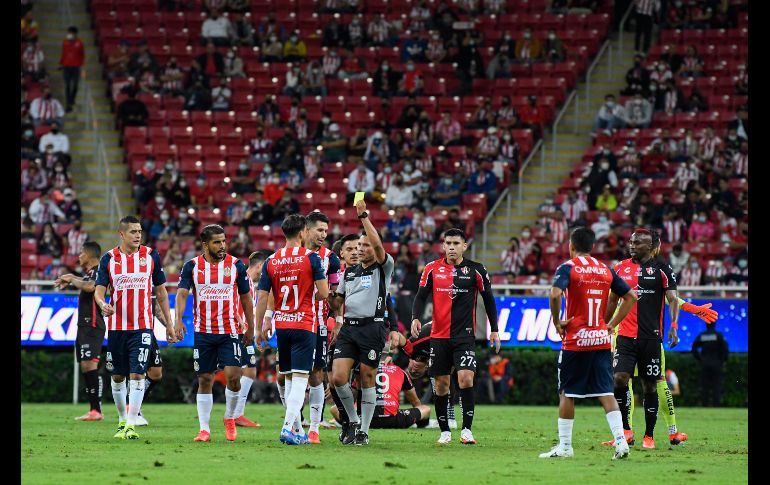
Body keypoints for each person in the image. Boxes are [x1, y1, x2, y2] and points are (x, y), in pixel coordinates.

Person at [540, 227, 636, 460]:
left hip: (576, 341)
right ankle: (621, 441)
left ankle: (565, 446)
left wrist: (556, 321)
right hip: (601, 340)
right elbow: (631, 296)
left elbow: (554, 294)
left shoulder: (568, 268)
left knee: (567, 394)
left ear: (571, 246)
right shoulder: (605, 270)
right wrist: (611, 324)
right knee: (606, 392)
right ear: (592, 247)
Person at [411, 228, 501, 445]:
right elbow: (420, 296)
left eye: (456, 243)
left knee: (466, 378)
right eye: (448, 243)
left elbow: (489, 299)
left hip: (464, 337)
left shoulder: (476, 270)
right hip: (439, 337)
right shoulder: (432, 269)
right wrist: (415, 318)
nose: (451, 247)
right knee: (441, 385)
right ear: (443, 246)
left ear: (464, 246)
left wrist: (495, 329)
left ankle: (467, 430)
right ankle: (444, 432)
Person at [93, 216, 175, 440]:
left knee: (138, 373)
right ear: (122, 234)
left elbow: (161, 292)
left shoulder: (151, 256)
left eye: (140, 231)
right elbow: (99, 290)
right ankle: (121, 420)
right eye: (133, 232)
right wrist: (103, 304)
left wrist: (169, 324)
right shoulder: (109, 259)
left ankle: (131, 424)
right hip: (118, 327)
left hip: (143, 327)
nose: (138, 235)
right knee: (118, 377)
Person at [174, 224, 255, 442]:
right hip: (203, 331)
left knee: (234, 377)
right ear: (205, 245)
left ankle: (229, 417)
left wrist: (251, 326)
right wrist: (178, 320)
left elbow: (246, 298)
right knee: (205, 378)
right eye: (217, 242)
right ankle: (204, 429)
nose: (222, 246)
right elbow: (182, 293)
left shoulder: (236, 265)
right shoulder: (191, 266)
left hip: (230, 330)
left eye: (223, 241)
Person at [327, 201, 399, 446]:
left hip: (372, 327)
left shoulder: (383, 266)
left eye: (365, 245)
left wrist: (363, 217)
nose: (361, 249)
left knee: (368, 377)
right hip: (349, 328)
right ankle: (354, 420)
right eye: (359, 246)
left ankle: (364, 431)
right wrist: (329, 293)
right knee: (338, 378)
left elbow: (378, 244)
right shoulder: (350, 272)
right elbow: (338, 303)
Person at [253, 215, 329, 445]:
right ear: (303, 232)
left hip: (282, 326)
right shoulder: (312, 258)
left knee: (286, 377)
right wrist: (307, 294)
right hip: (304, 324)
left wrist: (259, 328)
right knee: (300, 378)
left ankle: (298, 431)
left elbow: (263, 297)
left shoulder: (272, 260)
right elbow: (324, 293)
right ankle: (288, 428)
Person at [301, 212, 342, 443]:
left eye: (326, 231)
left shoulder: (332, 259)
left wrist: (338, 319)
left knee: (316, 374)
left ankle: (314, 428)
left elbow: (336, 295)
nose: (323, 235)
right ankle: (295, 423)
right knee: (286, 374)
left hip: (317, 325)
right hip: (291, 323)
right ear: (306, 230)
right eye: (319, 230)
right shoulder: (290, 255)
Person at [54, 242, 105, 421]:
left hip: (92, 323)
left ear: (90, 255)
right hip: (85, 324)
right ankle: (94, 409)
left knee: (90, 364)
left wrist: (72, 278)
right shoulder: (89, 273)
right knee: (86, 365)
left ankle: (96, 410)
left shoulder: (99, 271)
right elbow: (86, 282)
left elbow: (91, 286)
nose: (78, 256)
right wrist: (73, 276)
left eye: (81, 253)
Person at [331, 354, 431, 428]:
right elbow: (416, 402)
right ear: (389, 358)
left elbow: (351, 400)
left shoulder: (362, 370)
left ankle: (348, 423)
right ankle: (422, 425)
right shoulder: (399, 371)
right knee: (426, 409)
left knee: (334, 409)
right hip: (393, 420)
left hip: (364, 421)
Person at [233, 250, 271, 428]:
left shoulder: (250, 283)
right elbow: (229, 300)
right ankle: (235, 414)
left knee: (248, 370)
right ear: (259, 265)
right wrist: (240, 320)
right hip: (236, 332)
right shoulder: (243, 280)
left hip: (242, 332)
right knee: (245, 370)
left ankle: (235, 414)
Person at [692, 321, 729, 407]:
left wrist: (700, 359)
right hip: (717, 364)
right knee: (717, 385)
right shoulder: (718, 335)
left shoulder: (702, 335)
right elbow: (725, 349)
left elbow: (694, 348)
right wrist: (723, 360)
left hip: (705, 364)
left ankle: (705, 404)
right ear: (714, 325)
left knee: (705, 385)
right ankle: (716, 405)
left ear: (706, 325)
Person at [59, 26, 85, 112]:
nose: (69, 34)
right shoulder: (65, 42)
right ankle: (68, 103)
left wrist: (82, 65)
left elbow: (82, 55)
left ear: (75, 34)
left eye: (71, 33)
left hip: (76, 67)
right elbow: (64, 53)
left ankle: (72, 98)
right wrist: (61, 63)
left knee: (75, 85)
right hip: (66, 66)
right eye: (68, 33)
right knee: (67, 85)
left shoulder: (80, 43)